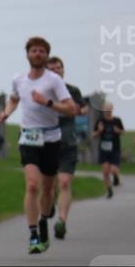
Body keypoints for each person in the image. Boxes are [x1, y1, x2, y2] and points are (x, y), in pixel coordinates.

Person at [0, 37, 77, 254]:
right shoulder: (19, 79)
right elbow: (14, 99)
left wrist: (48, 102)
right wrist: (6, 112)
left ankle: (43, 221)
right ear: (27, 55)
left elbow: (71, 109)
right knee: (32, 184)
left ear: (46, 55)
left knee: (48, 190)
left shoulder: (54, 81)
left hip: (51, 139)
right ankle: (33, 234)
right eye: (34, 51)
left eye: (42, 51)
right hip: (28, 138)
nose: (38, 54)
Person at [45, 56, 88, 239]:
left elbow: (84, 108)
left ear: (63, 70)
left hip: (68, 142)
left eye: (59, 68)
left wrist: (77, 110)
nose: (56, 70)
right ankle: (52, 203)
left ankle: (62, 221)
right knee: (51, 184)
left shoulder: (72, 90)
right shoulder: (43, 90)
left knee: (64, 182)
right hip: (48, 143)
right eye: (52, 68)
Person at [93, 103, 124, 199]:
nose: (107, 112)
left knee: (114, 169)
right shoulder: (100, 121)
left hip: (115, 149)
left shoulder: (117, 120)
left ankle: (116, 177)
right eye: (105, 111)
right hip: (104, 149)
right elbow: (93, 135)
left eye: (109, 110)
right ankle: (109, 190)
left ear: (112, 110)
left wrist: (117, 131)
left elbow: (123, 132)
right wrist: (99, 131)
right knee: (105, 171)